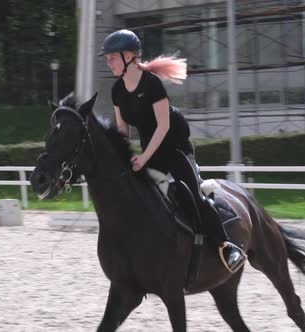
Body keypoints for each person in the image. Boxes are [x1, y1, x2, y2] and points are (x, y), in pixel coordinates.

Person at [98, 29, 246, 273]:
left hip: (175, 149)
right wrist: (123, 160)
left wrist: (144, 157)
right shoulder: (117, 91)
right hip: (151, 152)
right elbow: (123, 132)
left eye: (111, 57)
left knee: (193, 196)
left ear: (128, 56)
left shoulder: (152, 84)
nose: (108, 61)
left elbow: (164, 125)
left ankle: (226, 247)